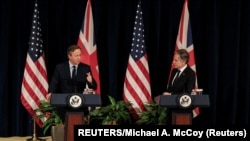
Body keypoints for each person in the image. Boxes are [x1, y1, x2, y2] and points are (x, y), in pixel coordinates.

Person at [46, 44, 97, 122]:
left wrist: (90, 81)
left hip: (80, 104)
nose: (79, 58)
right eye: (76, 55)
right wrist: (51, 92)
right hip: (64, 105)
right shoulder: (60, 68)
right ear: (69, 56)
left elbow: (93, 87)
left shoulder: (85, 68)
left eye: (80, 55)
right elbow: (54, 83)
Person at [162, 48, 195, 124]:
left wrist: (171, 95)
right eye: (174, 60)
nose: (173, 62)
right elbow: (170, 88)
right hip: (171, 110)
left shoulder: (190, 74)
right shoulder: (174, 71)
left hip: (182, 111)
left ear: (183, 61)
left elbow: (187, 93)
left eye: (176, 60)